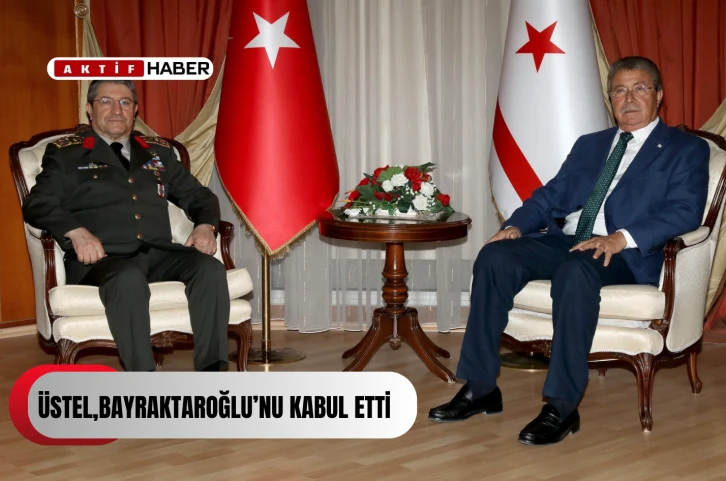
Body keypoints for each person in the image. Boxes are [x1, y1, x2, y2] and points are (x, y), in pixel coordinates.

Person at [428, 56, 710, 445]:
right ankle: (480, 387)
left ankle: (561, 406)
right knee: (495, 256)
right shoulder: (590, 145)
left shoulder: (685, 149)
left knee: (577, 268)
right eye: (619, 90)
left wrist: (620, 237)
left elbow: (685, 211)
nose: (629, 98)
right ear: (610, 98)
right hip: (568, 239)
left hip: (623, 253)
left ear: (659, 95)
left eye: (640, 88)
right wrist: (513, 227)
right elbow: (550, 197)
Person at [22, 80, 229, 372]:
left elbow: (200, 197)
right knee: (128, 277)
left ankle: (213, 373)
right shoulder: (67, 153)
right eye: (106, 101)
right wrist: (75, 231)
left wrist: (205, 225)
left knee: (209, 268)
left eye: (125, 102)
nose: (116, 110)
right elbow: (37, 203)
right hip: (103, 260)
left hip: (158, 253)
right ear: (89, 109)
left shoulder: (158, 153)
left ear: (135, 110)